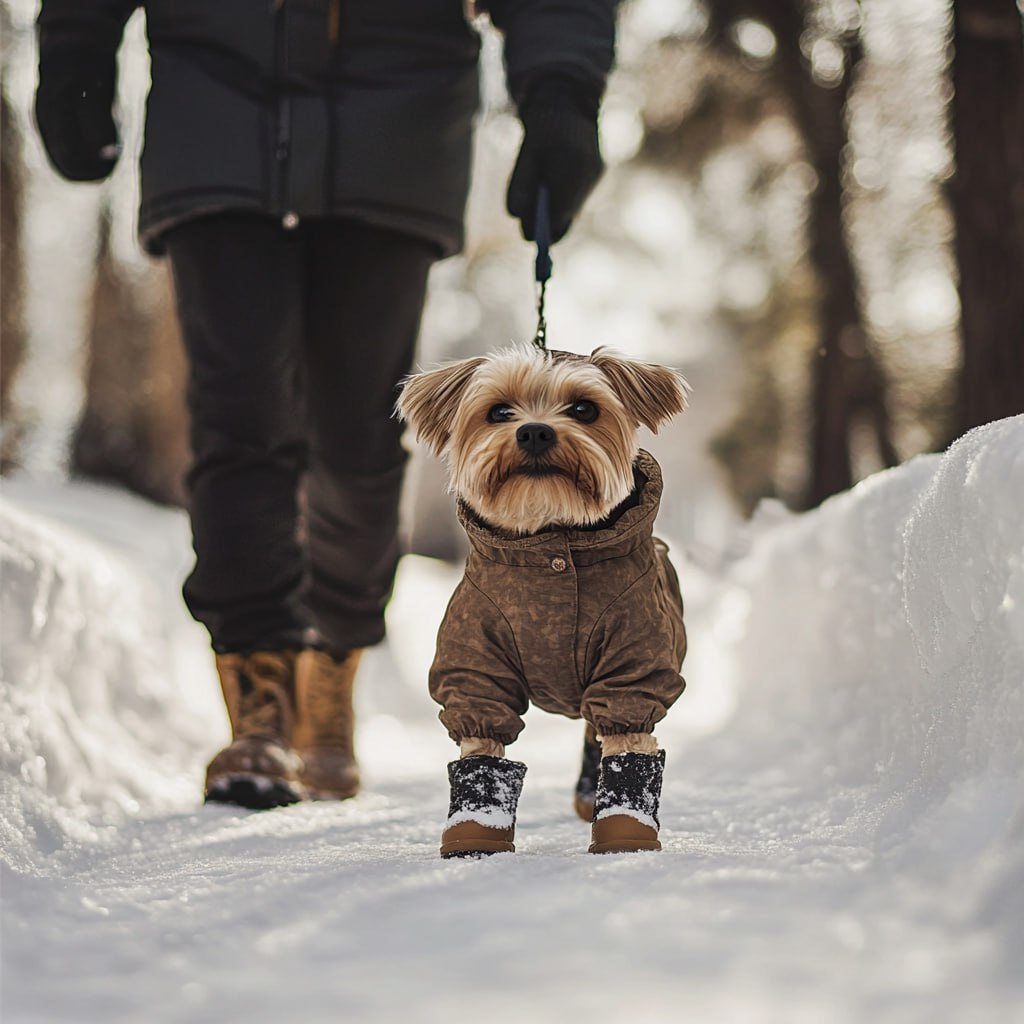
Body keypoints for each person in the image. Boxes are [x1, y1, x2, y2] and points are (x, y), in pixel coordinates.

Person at [34, 0, 618, 810]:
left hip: (394, 127)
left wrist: (561, 89)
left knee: (360, 440)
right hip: (216, 115)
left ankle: (330, 669)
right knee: (240, 422)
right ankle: (257, 700)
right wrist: (75, 44)